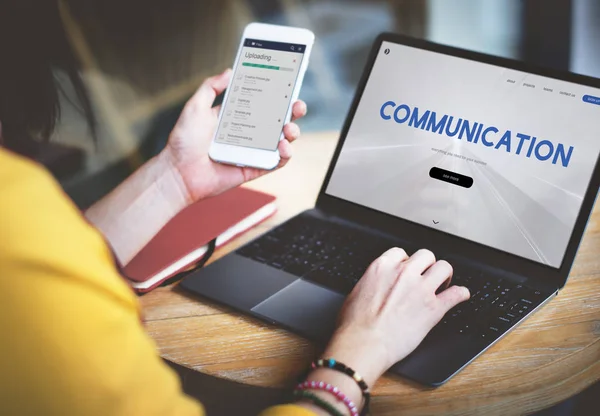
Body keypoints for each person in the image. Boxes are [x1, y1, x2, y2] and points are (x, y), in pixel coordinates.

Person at [0, 2, 470, 415]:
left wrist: (176, 176)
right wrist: (361, 349)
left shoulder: (20, 207)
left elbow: (53, 251)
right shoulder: (16, 224)